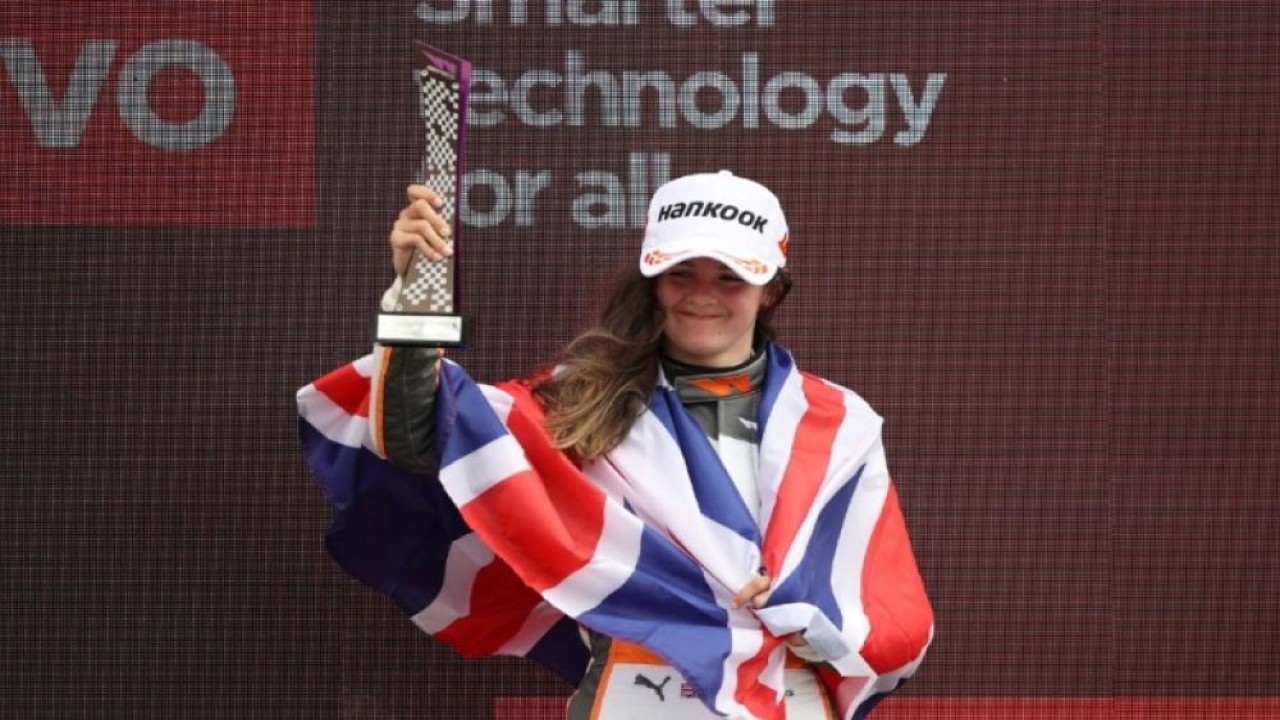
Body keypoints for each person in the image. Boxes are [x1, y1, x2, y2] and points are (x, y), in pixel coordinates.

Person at [298, 171, 933, 719]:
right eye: (682, 273)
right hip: (636, 689)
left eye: (732, 276)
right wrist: (416, 296)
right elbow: (420, 435)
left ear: (772, 289)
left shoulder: (839, 423)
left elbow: (891, 616)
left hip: (788, 696)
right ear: (653, 280)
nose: (704, 295)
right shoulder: (575, 400)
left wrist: (807, 604)